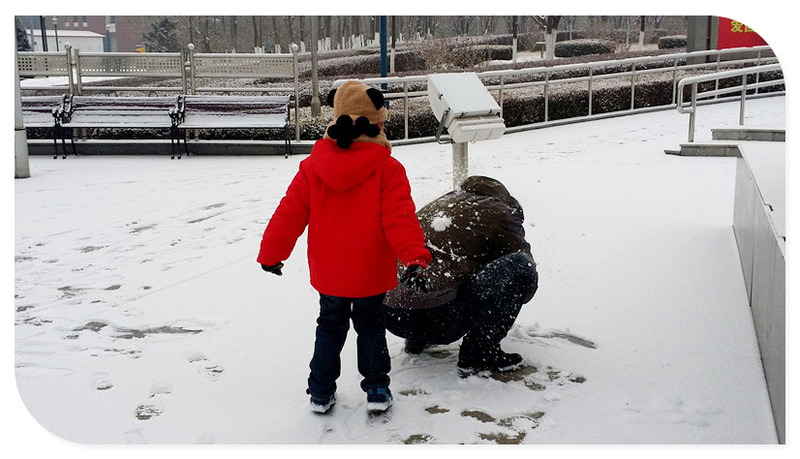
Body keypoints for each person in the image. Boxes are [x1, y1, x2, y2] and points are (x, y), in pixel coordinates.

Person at [257, 80, 431, 414]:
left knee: (329, 327)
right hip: (370, 271)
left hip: (330, 272)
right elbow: (400, 219)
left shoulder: (313, 166)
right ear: (378, 121)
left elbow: (290, 212)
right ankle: (376, 388)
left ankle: (320, 391)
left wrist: (272, 253)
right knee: (371, 327)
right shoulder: (387, 168)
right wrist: (414, 258)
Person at [383, 175, 538, 376]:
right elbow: (523, 275)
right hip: (436, 321)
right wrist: (507, 300)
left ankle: (417, 340)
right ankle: (480, 355)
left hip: (390, 314)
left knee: (442, 268)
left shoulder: (443, 203)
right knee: (521, 266)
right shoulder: (503, 212)